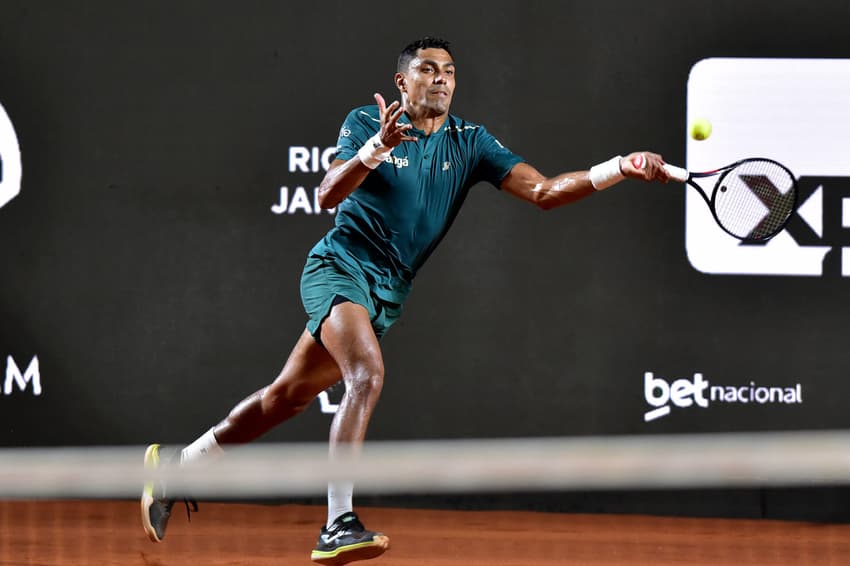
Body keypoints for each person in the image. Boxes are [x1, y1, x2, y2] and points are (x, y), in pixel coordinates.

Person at [141, 36, 671, 565]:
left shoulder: (472, 143)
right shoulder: (365, 123)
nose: (440, 78)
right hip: (338, 268)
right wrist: (377, 148)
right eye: (427, 69)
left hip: (387, 292)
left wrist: (619, 166)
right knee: (366, 375)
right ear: (403, 82)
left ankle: (178, 468)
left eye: (449, 71)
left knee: (285, 399)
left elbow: (545, 192)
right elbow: (327, 195)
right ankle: (337, 523)